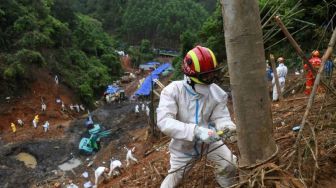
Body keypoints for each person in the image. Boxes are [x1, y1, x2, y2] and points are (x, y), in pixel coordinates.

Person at [157, 46, 237, 188]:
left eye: (212, 74)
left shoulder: (217, 93)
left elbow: (220, 117)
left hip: (210, 141)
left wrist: (226, 126)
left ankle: (227, 185)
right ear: (190, 77)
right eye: (205, 76)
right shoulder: (172, 91)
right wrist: (195, 131)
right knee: (170, 184)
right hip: (183, 148)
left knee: (229, 164)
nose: (210, 78)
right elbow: (164, 122)